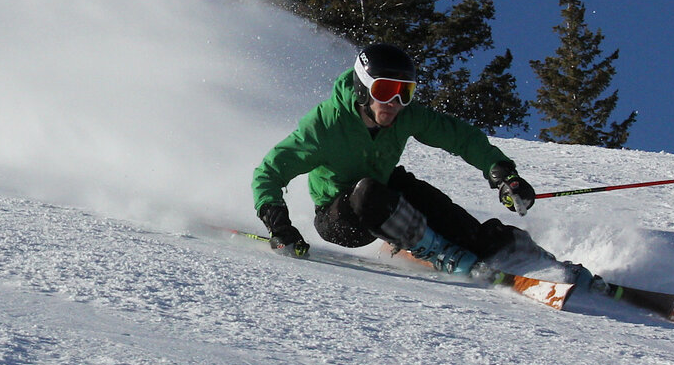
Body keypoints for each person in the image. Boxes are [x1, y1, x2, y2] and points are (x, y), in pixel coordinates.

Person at [251, 43, 591, 284]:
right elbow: (269, 172)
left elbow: (460, 137)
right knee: (369, 192)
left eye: (405, 92)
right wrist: (280, 226)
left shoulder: (404, 116)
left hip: (385, 189)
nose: (395, 102)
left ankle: (521, 254)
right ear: (362, 88)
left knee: (436, 207)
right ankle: (436, 251)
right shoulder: (325, 125)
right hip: (340, 217)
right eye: (385, 90)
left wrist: (501, 172)